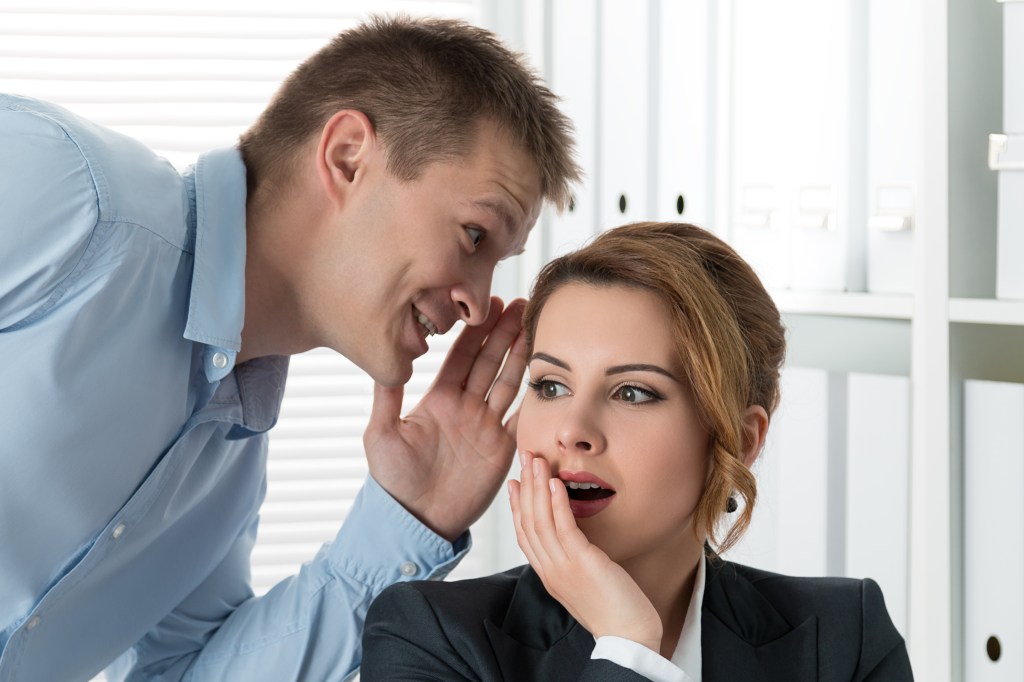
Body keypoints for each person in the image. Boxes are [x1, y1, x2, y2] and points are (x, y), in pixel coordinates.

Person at [0, 15, 578, 682]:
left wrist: (408, 518)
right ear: (348, 157)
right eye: (476, 235)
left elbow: (184, 674)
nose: (480, 301)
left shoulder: (222, 468)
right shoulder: (67, 193)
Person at [362, 222, 914, 681]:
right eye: (550, 386)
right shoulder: (429, 637)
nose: (573, 431)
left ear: (740, 440)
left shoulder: (846, 639)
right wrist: (627, 647)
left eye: (632, 392)